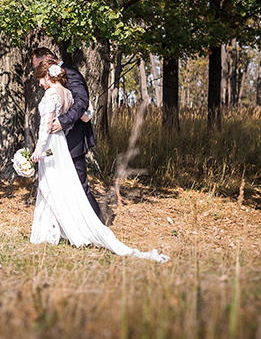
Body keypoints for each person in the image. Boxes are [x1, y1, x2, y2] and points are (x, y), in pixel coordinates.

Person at [29, 59, 169, 262]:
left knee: (51, 185)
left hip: (51, 143)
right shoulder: (67, 93)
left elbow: (45, 127)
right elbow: (86, 113)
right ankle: (56, 229)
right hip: (60, 144)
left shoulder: (51, 94)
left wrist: (37, 150)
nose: (40, 83)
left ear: (48, 76)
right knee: (63, 186)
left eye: (41, 79)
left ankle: (56, 231)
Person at [31, 47, 102, 220]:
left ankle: (97, 223)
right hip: (59, 141)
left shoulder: (71, 73)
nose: (39, 70)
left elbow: (81, 103)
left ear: (48, 58)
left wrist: (62, 122)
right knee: (65, 183)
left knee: (79, 184)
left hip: (74, 136)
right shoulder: (54, 82)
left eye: (39, 65)